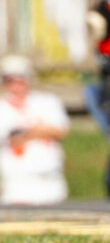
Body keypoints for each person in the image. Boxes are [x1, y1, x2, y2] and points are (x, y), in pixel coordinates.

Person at [0, 55, 70, 205]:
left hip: (50, 181)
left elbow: (61, 129)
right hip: (18, 184)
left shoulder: (47, 102)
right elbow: (10, 137)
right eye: (11, 81)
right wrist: (39, 131)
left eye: (20, 80)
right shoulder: (2, 108)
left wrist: (26, 133)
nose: (16, 86)